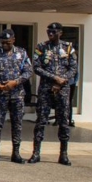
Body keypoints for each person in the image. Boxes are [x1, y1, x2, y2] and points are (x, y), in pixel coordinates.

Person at [31, 22, 78, 166]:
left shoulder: (68, 48)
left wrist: (61, 81)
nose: (50, 33)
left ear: (60, 33)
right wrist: (54, 78)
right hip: (46, 89)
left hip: (62, 90)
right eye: (48, 31)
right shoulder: (41, 47)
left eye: (53, 31)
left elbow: (73, 68)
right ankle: (36, 153)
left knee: (63, 122)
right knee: (41, 121)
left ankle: (63, 154)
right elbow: (36, 67)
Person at [0, 28, 32, 164]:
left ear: (13, 40)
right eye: (2, 42)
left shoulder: (21, 53)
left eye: (8, 42)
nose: (5, 45)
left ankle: (16, 153)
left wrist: (15, 82)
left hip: (17, 94)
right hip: (0, 94)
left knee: (17, 124)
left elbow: (28, 71)